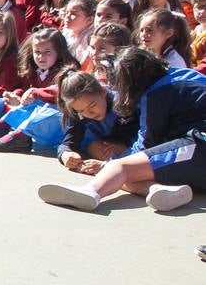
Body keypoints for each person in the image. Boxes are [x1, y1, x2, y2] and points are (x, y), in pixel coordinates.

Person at [38, 48, 206, 214]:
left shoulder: (156, 93)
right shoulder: (182, 74)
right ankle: (156, 189)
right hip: (197, 149)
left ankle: (92, 191)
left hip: (200, 144)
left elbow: (146, 144)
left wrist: (107, 165)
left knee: (121, 167)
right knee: (133, 170)